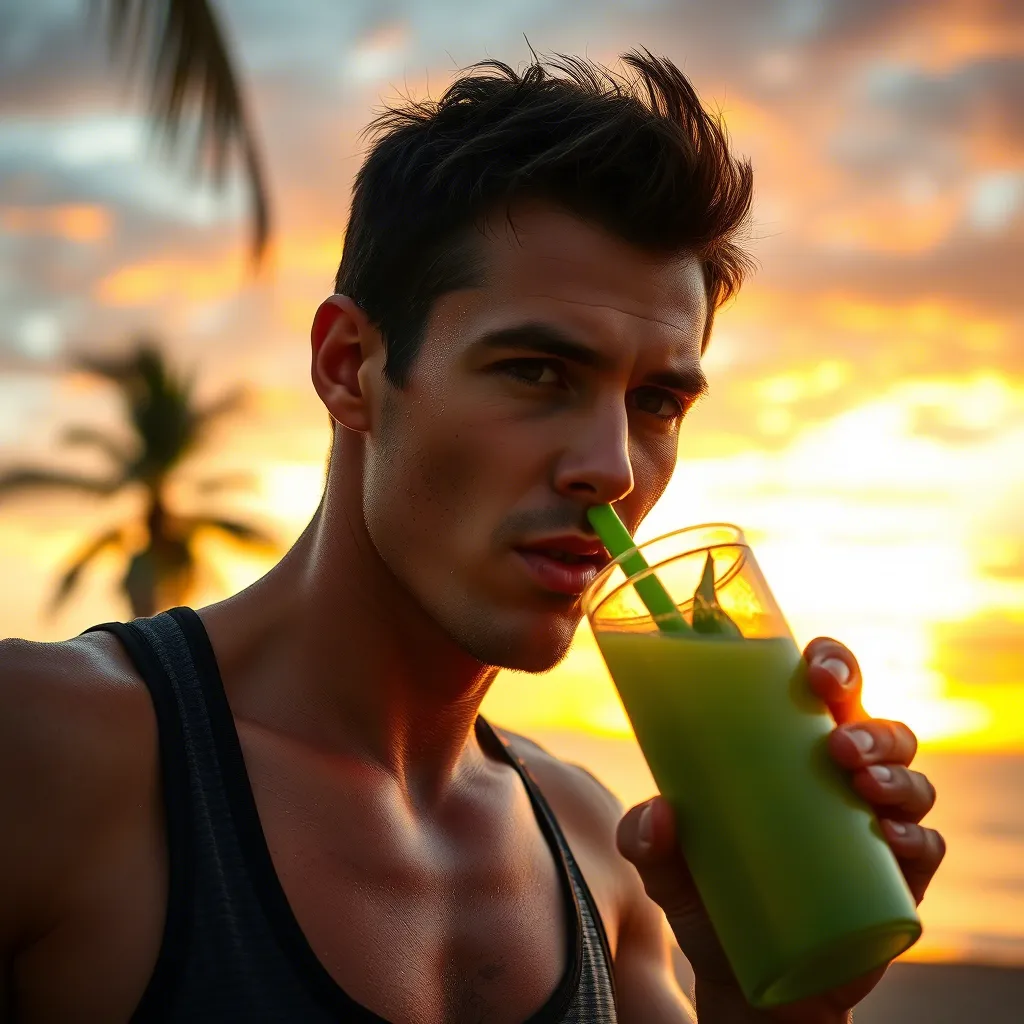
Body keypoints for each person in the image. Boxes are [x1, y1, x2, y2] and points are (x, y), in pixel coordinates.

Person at [0, 51, 945, 1023]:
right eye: (536, 371)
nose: (611, 467)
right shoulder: (46, 752)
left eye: (656, 400)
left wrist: (777, 1009)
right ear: (348, 366)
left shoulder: (599, 857)